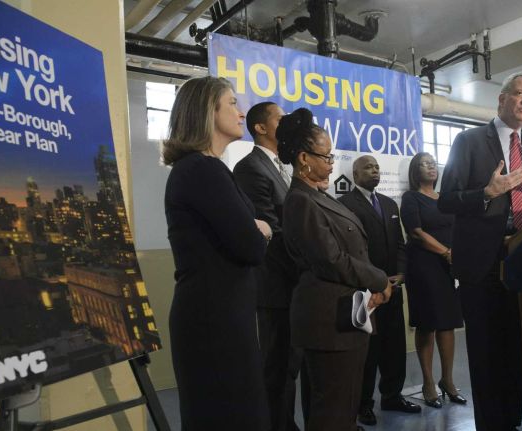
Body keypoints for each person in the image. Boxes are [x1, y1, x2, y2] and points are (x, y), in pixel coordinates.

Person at [438, 71, 522, 431]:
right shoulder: (468, 141)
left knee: (520, 347)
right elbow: (446, 201)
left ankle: (514, 421)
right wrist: (487, 193)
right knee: (487, 353)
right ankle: (491, 424)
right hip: (482, 265)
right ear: (501, 99)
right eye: (519, 94)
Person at [162, 77, 271, 430]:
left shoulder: (204, 169)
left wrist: (254, 227)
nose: (241, 113)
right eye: (232, 103)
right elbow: (251, 245)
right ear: (207, 111)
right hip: (214, 322)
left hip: (219, 315)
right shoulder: (202, 170)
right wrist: (260, 229)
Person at [278, 108, 393, 431]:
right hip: (328, 321)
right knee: (332, 413)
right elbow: (331, 259)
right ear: (304, 158)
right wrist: (380, 279)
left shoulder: (317, 197)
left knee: (344, 411)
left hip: (346, 316)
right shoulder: (301, 201)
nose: (331, 163)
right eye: (326, 157)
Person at [233, 102, 302, 431]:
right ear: (260, 128)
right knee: (276, 368)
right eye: (281, 118)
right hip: (275, 285)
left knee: (289, 367)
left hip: (293, 284)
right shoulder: (251, 168)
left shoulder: (282, 167)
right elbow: (270, 232)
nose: (287, 122)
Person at [338, 155, 421, 426]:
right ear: (355, 173)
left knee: (394, 346)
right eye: (368, 168)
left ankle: (392, 396)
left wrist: (400, 273)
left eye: (376, 167)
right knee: (368, 350)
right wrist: (374, 280)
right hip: (365, 292)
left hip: (393, 288)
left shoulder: (387, 203)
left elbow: (399, 243)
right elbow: (350, 251)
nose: (374, 171)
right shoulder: (344, 205)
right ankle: (363, 404)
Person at [400, 152, 466, 409]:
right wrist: (447, 252)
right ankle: (428, 383)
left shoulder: (445, 199)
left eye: (432, 163)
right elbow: (416, 233)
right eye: (423, 164)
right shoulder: (411, 198)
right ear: (415, 171)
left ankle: (447, 381)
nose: (430, 167)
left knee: (448, 324)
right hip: (424, 267)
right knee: (427, 323)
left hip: (449, 268)